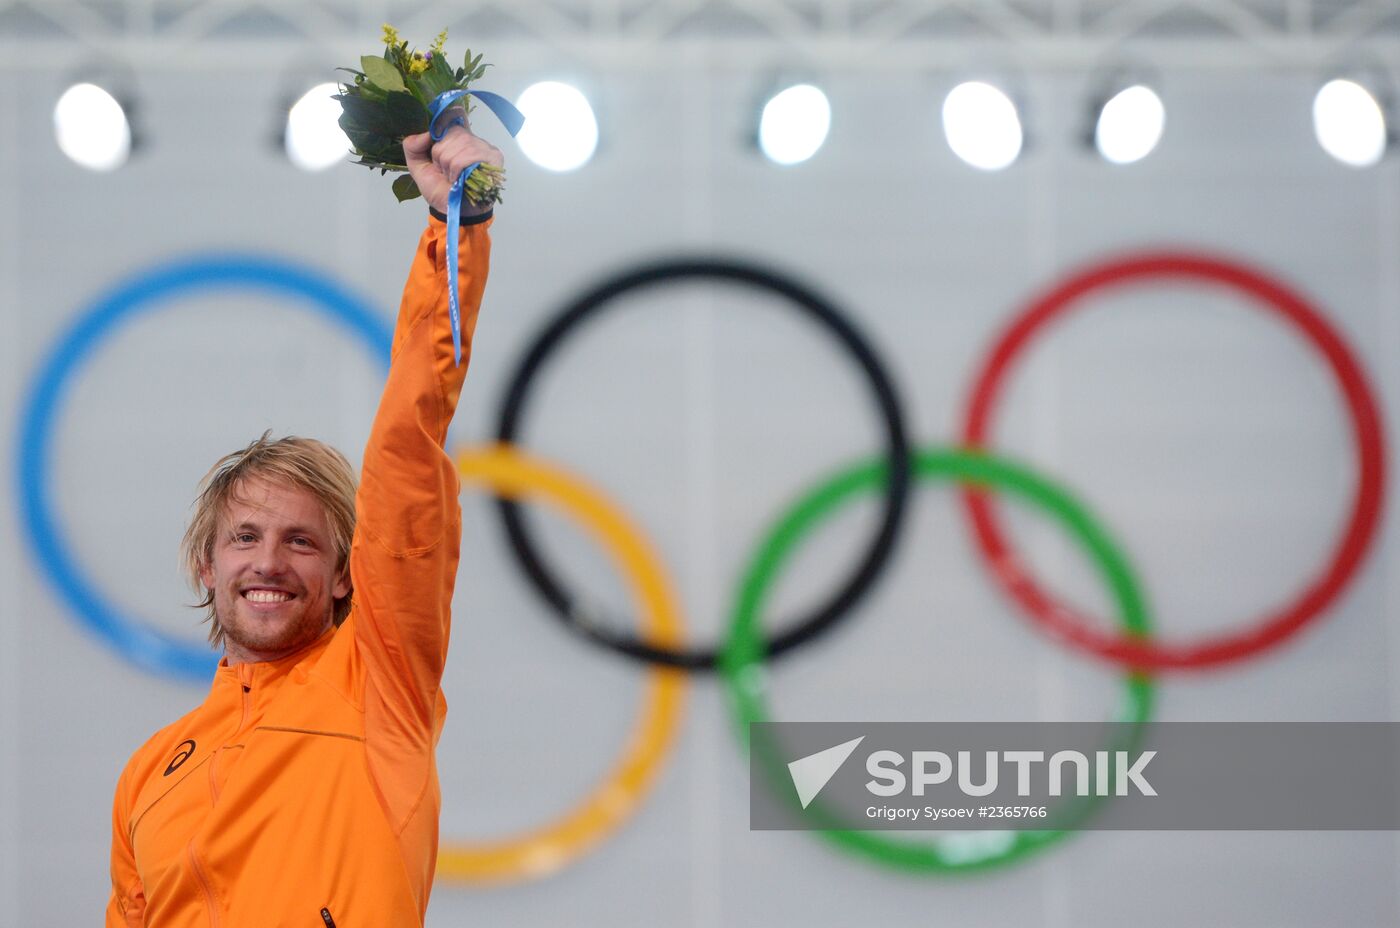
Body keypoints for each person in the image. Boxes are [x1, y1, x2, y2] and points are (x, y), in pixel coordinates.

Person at [105, 110, 502, 927]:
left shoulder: (379, 683)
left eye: (302, 541)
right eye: (244, 537)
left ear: (347, 570)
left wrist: (453, 230)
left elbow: (406, 450)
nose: (269, 562)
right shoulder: (147, 774)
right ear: (204, 566)